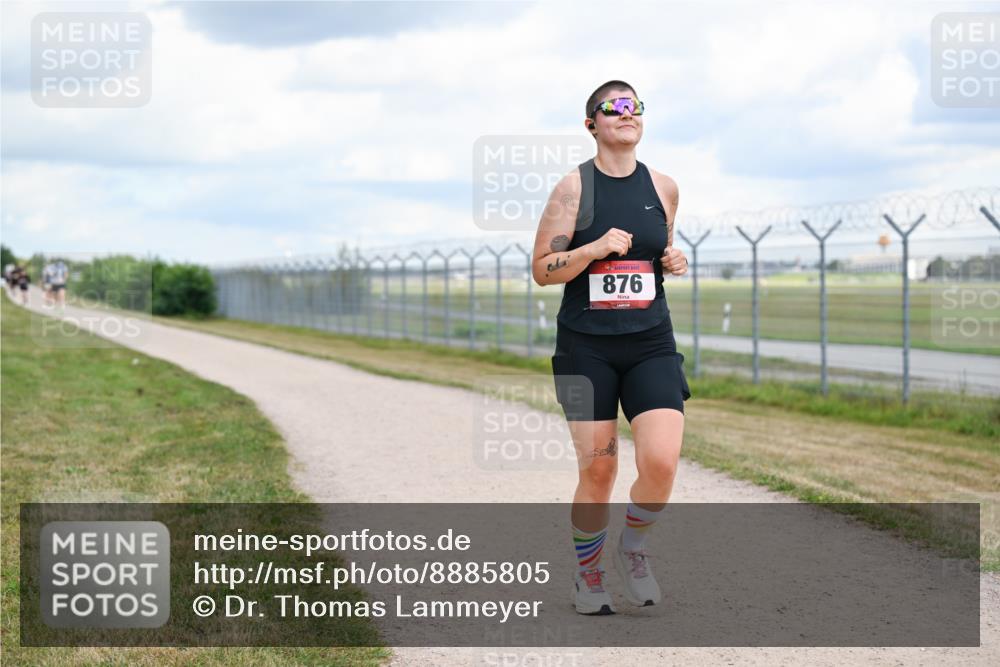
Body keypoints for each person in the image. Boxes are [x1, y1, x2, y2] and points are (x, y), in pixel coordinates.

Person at [531, 80, 690, 615]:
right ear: (591, 124)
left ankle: (634, 548)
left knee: (662, 461)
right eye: (613, 108)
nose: (627, 114)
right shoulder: (572, 191)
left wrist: (673, 261)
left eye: (634, 106)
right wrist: (593, 249)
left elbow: (657, 255)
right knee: (599, 470)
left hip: (651, 344)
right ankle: (588, 573)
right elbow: (541, 270)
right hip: (586, 350)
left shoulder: (664, 187)